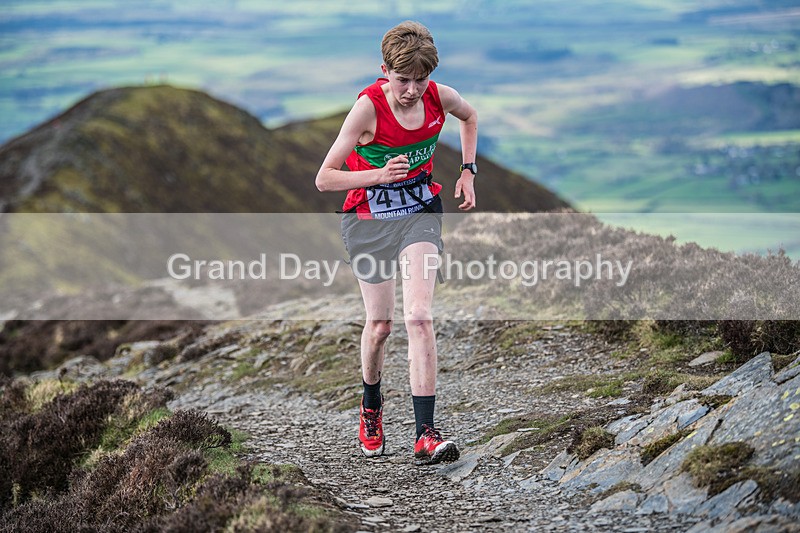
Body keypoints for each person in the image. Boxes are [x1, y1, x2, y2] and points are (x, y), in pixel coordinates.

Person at [315, 20, 478, 464]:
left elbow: (470, 116)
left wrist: (467, 170)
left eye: (420, 80)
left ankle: (425, 433)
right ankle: (371, 406)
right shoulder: (367, 109)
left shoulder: (439, 97)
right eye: (402, 79)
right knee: (381, 326)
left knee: (419, 317)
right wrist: (378, 175)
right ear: (383, 69)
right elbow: (324, 178)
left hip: (419, 213)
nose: (411, 90)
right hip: (366, 220)